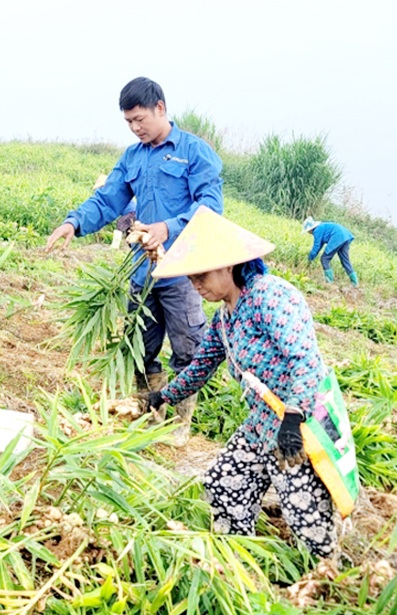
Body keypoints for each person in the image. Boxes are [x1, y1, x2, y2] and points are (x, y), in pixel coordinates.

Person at [138, 208, 339, 557]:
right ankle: (238, 558)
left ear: (228, 265)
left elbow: (305, 359)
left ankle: (329, 580)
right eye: (191, 279)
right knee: (223, 484)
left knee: (305, 515)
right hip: (262, 423)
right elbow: (202, 365)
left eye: (201, 276)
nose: (195, 286)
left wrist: (293, 418)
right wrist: (164, 396)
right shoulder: (225, 317)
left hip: (300, 426)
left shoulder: (270, 296)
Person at [45, 77, 224, 446]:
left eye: (140, 119)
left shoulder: (194, 152)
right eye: (129, 122)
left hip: (184, 273)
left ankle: (178, 424)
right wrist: (73, 222)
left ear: (160, 108)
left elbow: (210, 207)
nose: (135, 127)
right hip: (143, 273)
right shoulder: (132, 157)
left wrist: (168, 227)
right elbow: (109, 199)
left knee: (189, 349)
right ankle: (148, 411)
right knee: (139, 349)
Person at [303, 216, 358, 286]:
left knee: (324, 259)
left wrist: (309, 258)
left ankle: (329, 281)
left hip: (337, 236)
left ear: (310, 229)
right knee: (345, 260)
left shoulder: (317, 230)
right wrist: (312, 256)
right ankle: (355, 282)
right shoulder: (322, 227)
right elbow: (320, 245)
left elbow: (316, 246)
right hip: (345, 236)